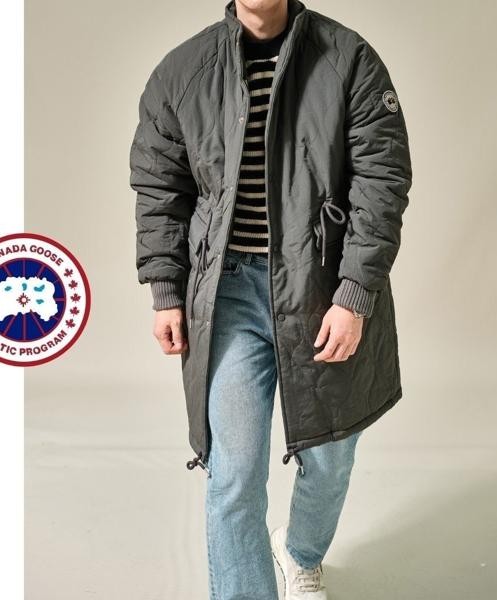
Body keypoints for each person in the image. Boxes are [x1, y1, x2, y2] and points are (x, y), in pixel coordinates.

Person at [129, 1, 412, 598]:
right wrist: (166, 289)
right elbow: (159, 186)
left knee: (330, 458)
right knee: (233, 475)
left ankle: (300, 554)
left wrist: (354, 295)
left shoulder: (348, 59)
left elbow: (381, 181)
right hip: (226, 295)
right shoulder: (182, 72)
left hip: (321, 288)